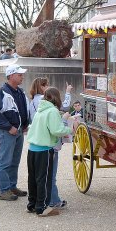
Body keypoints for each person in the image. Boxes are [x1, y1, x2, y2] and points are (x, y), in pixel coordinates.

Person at [26, 87, 76, 216]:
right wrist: (70, 130)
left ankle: (32, 204)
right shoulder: (52, 111)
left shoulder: (40, 110)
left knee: (33, 179)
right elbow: (56, 130)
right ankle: (42, 208)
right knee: (44, 179)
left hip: (32, 148)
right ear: (56, 97)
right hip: (44, 149)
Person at [0, 64, 29, 201]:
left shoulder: (20, 92)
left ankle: (12, 186)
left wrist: (24, 125)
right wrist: (8, 127)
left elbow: (24, 109)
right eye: (19, 75)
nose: (22, 77)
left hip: (18, 131)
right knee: (5, 162)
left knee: (14, 161)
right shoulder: (1, 92)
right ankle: (4, 190)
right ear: (11, 76)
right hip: (8, 132)